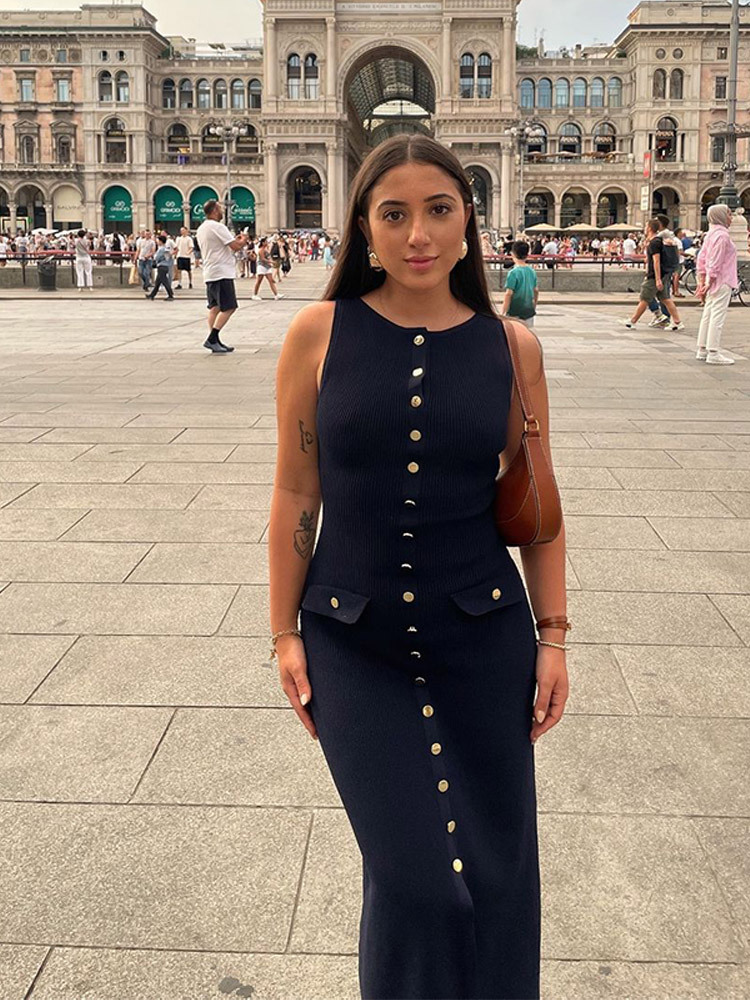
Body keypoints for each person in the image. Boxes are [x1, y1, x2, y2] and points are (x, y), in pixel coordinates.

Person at [269, 133, 569, 1000]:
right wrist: (283, 631)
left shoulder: (512, 348)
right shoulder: (317, 333)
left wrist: (553, 636)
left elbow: (540, 507)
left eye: (439, 209)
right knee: (416, 884)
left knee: (498, 874)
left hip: (484, 639)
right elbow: (296, 492)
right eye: (393, 214)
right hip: (352, 642)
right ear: (363, 227)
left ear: (468, 219)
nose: (419, 234)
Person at [195, 199, 249, 353]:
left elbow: (219, 245)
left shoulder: (202, 228)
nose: (223, 211)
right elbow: (236, 246)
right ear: (214, 211)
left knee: (215, 308)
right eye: (220, 208)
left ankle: (214, 340)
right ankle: (212, 338)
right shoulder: (218, 226)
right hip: (222, 272)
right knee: (230, 307)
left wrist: (234, 240)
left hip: (210, 272)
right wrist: (244, 239)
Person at [695, 203, 738, 365]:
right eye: (729, 214)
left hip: (712, 280)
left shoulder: (710, 234)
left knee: (708, 314)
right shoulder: (722, 236)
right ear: (721, 216)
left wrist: (703, 280)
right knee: (717, 316)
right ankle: (713, 352)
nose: (731, 217)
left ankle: (702, 349)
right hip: (722, 279)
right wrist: (709, 280)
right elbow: (716, 261)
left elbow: (702, 259)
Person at [622, 217, 684, 330]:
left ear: (650, 228)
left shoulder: (654, 243)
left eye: (646, 226)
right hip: (662, 274)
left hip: (655, 275)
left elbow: (656, 261)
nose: (645, 229)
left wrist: (657, 279)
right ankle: (677, 322)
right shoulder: (658, 241)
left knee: (645, 298)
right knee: (665, 299)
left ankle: (632, 321)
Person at [502, 239, 539, 327]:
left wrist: (503, 312)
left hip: (514, 311)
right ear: (527, 255)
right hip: (528, 311)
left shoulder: (513, 273)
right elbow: (536, 290)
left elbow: (509, 293)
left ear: (512, 254)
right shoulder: (532, 271)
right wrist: (534, 305)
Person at [146, 233, 175, 301]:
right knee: (157, 283)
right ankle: (152, 295)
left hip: (161, 266)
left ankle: (170, 295)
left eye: (158, 240)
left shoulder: (161, 249)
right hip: (166, 266)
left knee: (165, 281)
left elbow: (157, 257)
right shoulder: (166, 248)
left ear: (161, 241)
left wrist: (154, 258)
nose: (157, 242)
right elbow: (168, 257)